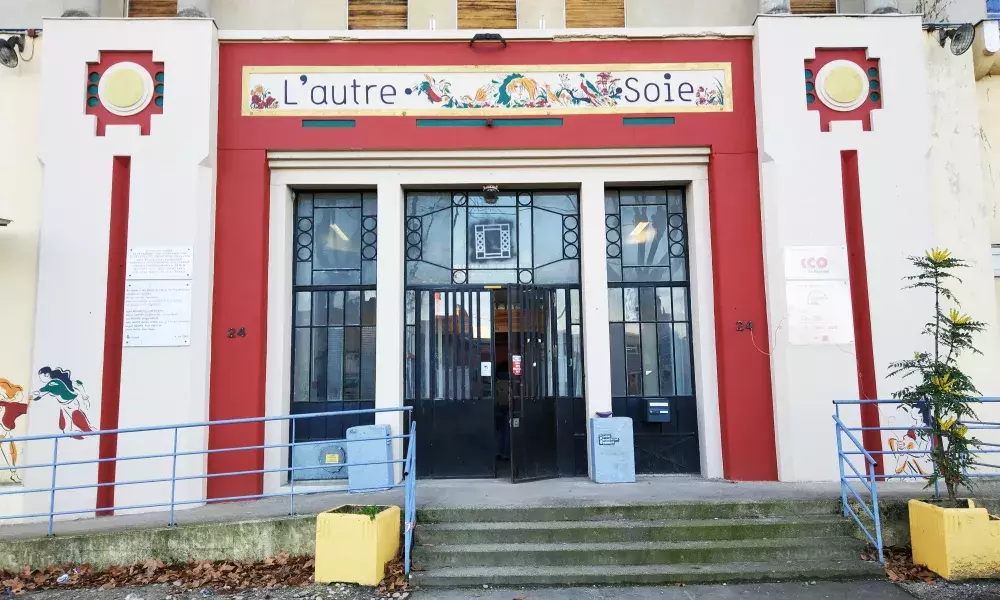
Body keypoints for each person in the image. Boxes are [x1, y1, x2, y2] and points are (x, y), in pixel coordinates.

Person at [31, 367, 94, 440]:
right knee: (66, 422)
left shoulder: (53, 383)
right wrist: (36, 397)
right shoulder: (55, 381)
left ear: (47, 374)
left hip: (69, 404)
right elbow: (78, 384)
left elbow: (43, 391)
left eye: (40, 376)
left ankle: (87, 432)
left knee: (75, 419)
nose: (40, 378)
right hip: (65, 404)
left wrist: (34, 396)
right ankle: (76, 432)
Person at [0, 378, 29, 482]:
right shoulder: (5, 403)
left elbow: (28, 408)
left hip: (6, 431)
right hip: (3, 431)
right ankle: (13, 473)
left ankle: (13, 473)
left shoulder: (15, 406)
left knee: (11, 452)